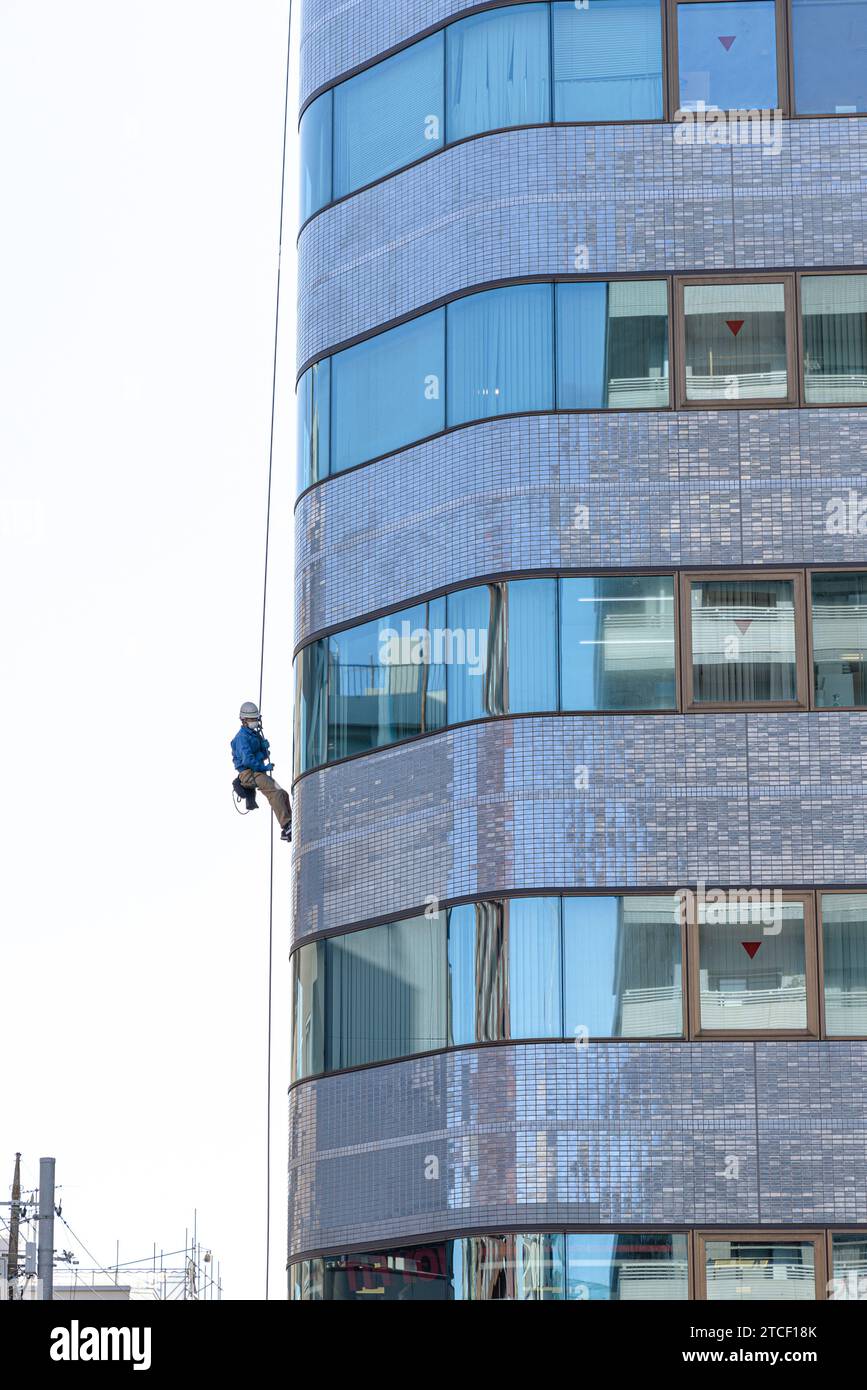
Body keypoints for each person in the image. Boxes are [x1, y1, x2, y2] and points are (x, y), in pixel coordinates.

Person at [231, 701, 292, 842]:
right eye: (252, 719)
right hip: (249, 773)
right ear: (244, 720)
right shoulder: (241, 738)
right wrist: (263, 767)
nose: (255, 722)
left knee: (282, 793)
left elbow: (262, 755)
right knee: (273, 791)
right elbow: (247, 760)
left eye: (256, 719)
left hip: (257, 771)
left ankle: (290, 824)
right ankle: (286, 824)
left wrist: (264, 749)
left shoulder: (254, 735)